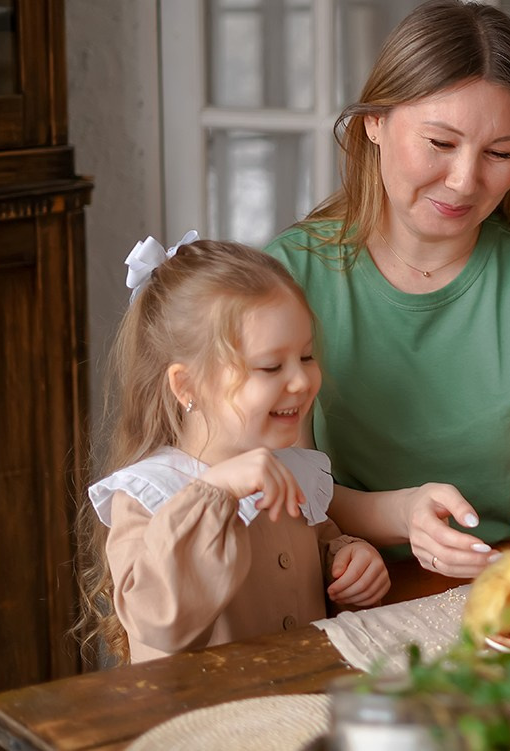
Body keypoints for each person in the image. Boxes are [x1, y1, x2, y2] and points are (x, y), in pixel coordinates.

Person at [266, 0, 510, 592]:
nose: (465, 180)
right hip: (352, 578)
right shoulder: (289, 274)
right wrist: (389, 520)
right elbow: (285, 478)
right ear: (375, 123)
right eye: (440, 143)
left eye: (499, 153)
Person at [77, 234, 390, 664]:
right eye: (270, 366)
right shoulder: (147, 495)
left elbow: (311, 551)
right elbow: (160, 622)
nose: (301, 381)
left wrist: (347, 561)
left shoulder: (293, 470)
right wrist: (216, 493)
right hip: (212, 707)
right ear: (187, 385)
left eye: (306, 356)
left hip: (301, 696)